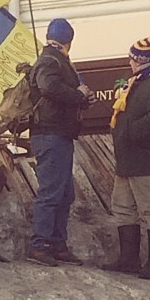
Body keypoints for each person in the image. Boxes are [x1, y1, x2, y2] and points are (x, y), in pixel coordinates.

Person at [102, 36, 150, 279]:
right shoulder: (140, 80)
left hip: (149, 161)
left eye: (133, 58)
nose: (130, 62)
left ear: (143, 61)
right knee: (123, 206)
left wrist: (130, 132)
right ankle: (129, 260)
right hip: (129, 160)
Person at [26, 18, 96, 267]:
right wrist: (77, 95)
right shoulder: (49, 61)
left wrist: (81, 99)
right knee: (51, 192)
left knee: (64, 193)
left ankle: (57, 243)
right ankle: (40, 245)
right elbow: (49, 87)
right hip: (49, 133)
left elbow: (57, 91)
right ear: (70, 40)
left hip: (60, 134)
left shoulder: (56, 60)